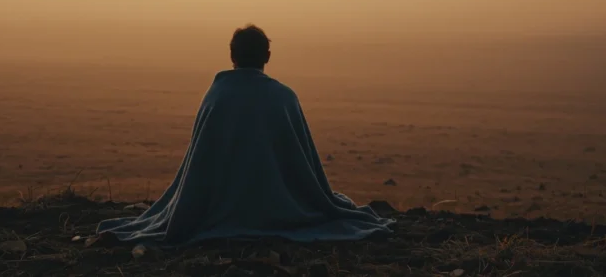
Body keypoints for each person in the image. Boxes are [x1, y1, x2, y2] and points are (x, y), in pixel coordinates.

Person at [97, 24, 395, 246]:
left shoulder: (217, 95)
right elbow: (305, 169)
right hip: (281, 207)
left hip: (217, 206)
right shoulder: (284, 97)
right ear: (267, 55)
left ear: (231, 56)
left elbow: (200, 166)